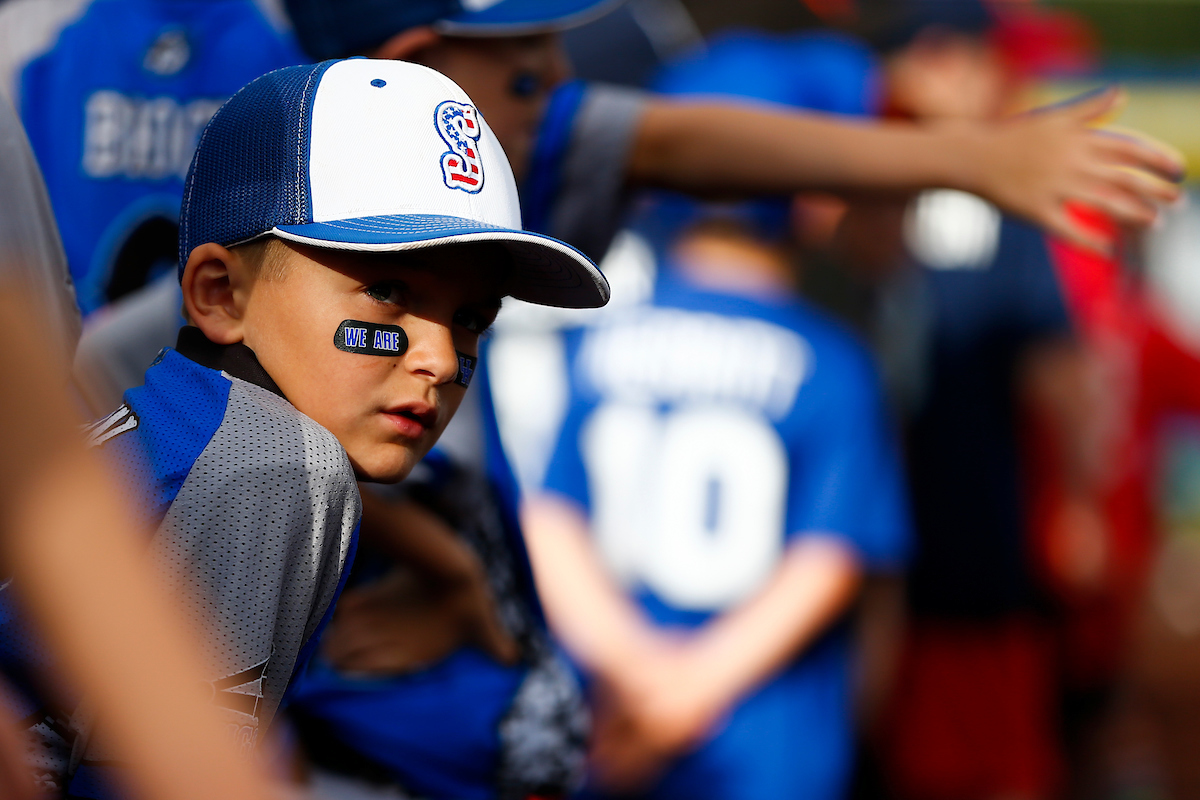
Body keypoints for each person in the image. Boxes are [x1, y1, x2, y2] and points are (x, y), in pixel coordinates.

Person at [0, 56, 608, 798]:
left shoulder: (186, 426)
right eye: (387, 292)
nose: (442, 359)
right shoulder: (277, 464)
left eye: (472, 320)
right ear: (220, 294)